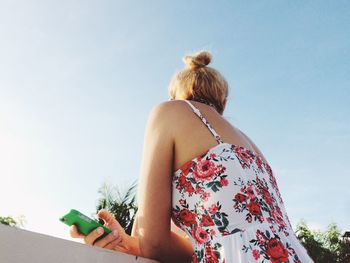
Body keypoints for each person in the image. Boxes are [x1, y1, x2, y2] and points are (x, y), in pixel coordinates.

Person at [70, 51, 314, 263]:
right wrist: (131, 242)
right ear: (223, 102)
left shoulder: (169, 112)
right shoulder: (252, 148)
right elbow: (226, 239)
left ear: (174, 94)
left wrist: (133, 241)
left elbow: (152, 242)